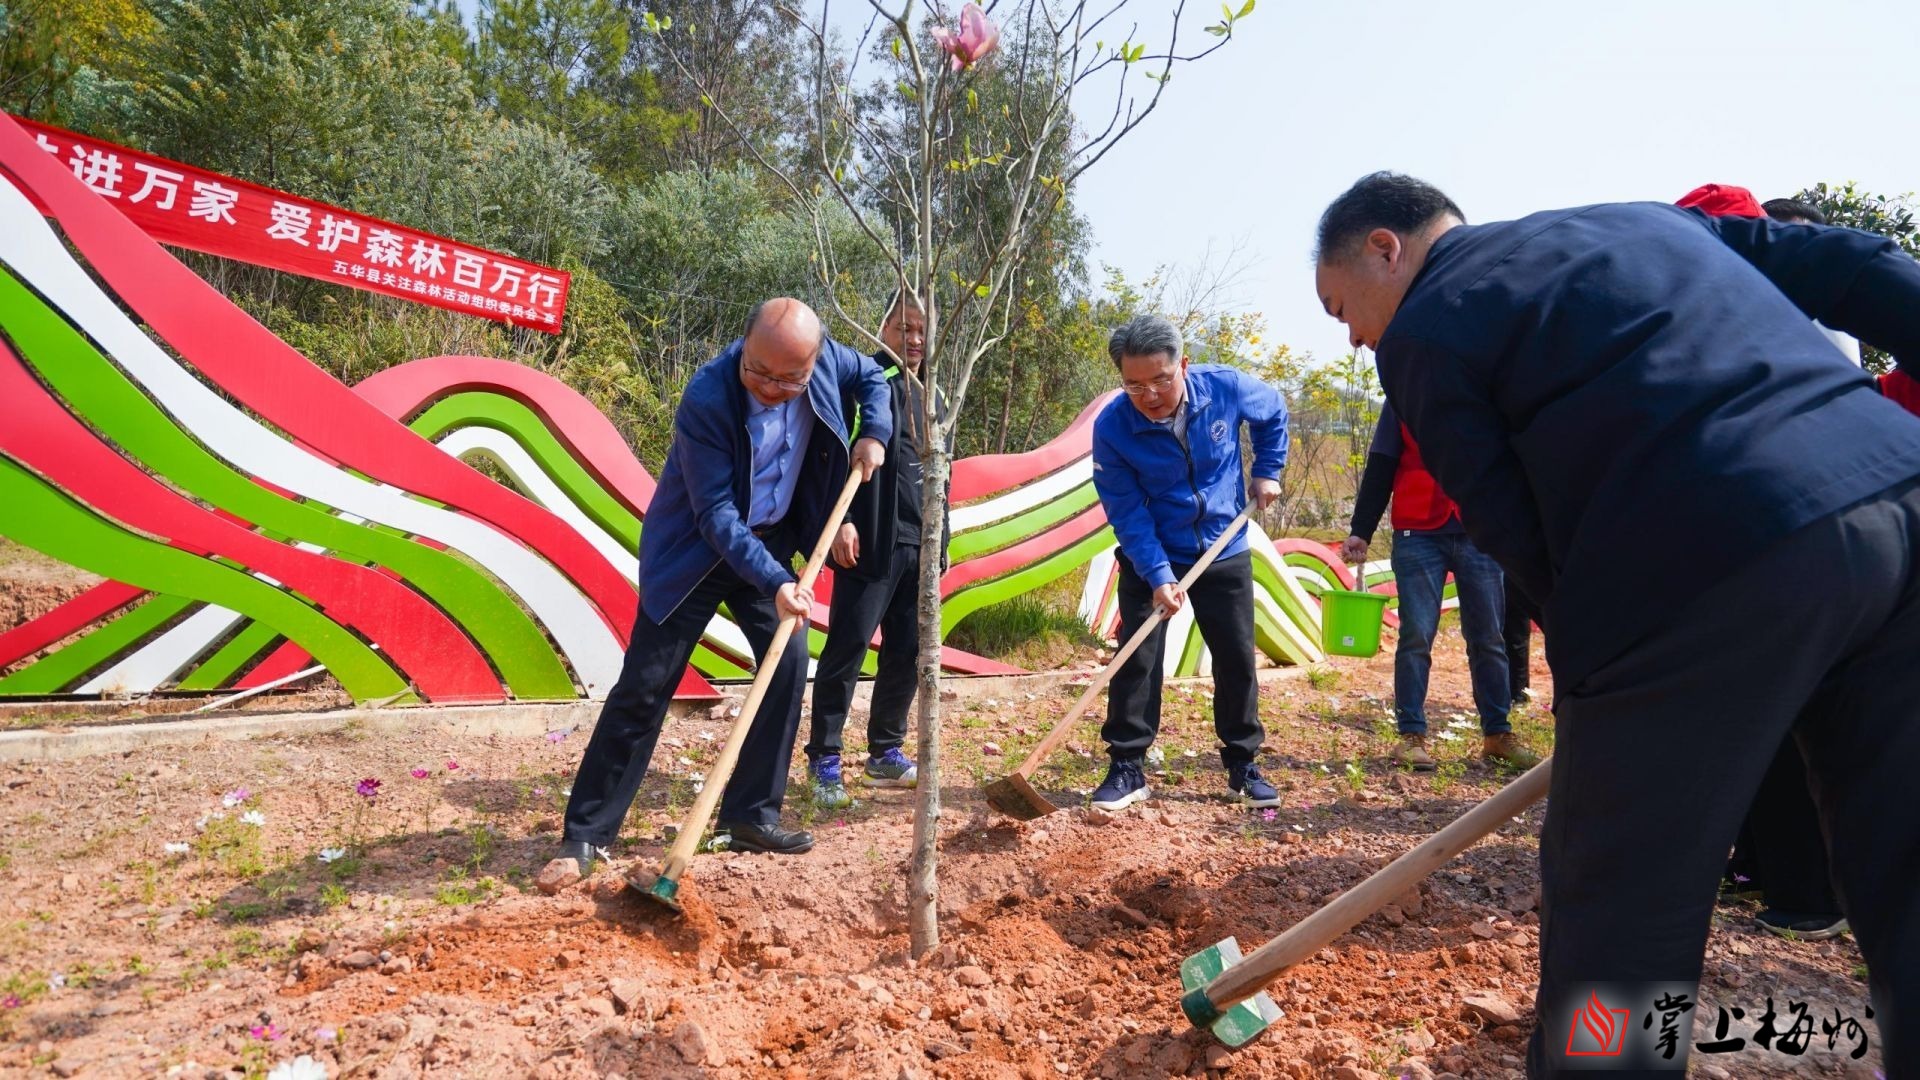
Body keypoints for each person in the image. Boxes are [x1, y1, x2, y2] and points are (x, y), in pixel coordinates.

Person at [1313, 171, 1920, 1075]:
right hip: (1901, 498)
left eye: (1341, 309)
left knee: (1623, 919)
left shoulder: (1426, 329)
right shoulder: (1644, 223)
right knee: (1907, 863)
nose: (1356, 336)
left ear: (1384, 249)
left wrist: (1603, 684)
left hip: (1706, 553)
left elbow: (1507, 524)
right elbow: (1852, 263)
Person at [544, 298, 891, 882]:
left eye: (790, 379)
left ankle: (749, 818)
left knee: (787, 664)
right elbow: (716, 514)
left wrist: (874, 432)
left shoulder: (833, 361)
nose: (771, 388)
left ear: (814, 361)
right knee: (647, 682)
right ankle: (585, 835)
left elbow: (875, 379)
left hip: (772, 539)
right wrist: (777, 581)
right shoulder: (708, 397)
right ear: (744, 345)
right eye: (759, 371)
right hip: (696, 551)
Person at [1675, 185, 1849, 942]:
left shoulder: (1804, 322)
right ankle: (1755, 863)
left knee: (1793, 726)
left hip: (1798, 540)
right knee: (1744, 726)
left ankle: (1811, 893)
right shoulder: (1723, 315)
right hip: (1746, 546)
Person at [1087, 314, 1289, 813]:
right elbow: (1127, 512)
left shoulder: (1224, 387)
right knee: (1137, 656)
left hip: (1223, 544)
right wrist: (1159, 575)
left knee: (1236, 657)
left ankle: (1243, 764)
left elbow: (1273, 411)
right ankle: (1127, 766)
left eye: (1161, 379)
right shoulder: (1113, 428)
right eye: (1135, 385)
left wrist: (1267, 470)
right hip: (1153, 548)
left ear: (1184, 365)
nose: (1150, 395)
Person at [804, 289, 947, 807]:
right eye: (903, 327)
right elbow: (827, 457)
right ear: (882, 328)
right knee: (847, 648)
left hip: (919, 542)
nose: (914, 339)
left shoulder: (935, 396)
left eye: (922, 329)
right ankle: (824, 759)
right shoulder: (865, 382)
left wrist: (942, 540)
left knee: (906, 652)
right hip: (869, 538)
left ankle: (885, 751)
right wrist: (840, 522)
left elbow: (941, 474)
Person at [1342, 402, 1536, 771]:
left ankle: (1498, 734)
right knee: (1416, 635)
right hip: (1417, 532)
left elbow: (1512, 461)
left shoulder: (1487, 391)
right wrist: (1361, 530)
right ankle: (1411, 736)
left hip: (1480, 529)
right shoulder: (1402, 398)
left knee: (1488, 637)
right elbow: (1382, 463)